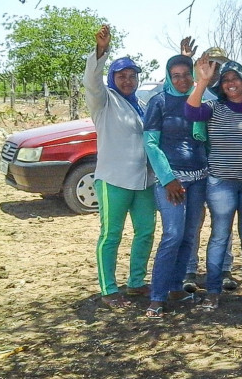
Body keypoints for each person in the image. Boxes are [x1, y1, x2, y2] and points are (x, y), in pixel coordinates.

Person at [185, 55, 242, 311]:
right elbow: (190, 111)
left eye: (236, 79)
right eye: (226, 80)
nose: (231, 83)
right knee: (220, 236)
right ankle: (212, 291)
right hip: (221, 183)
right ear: (221, 86)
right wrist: (202, 81)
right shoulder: (213, 108)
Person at [85, 25, 156, 309]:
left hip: (143, 181)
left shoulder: (140, 104)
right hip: (114, 180)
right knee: (111, 235)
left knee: (146, 231)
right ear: (112, 78)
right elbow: (92, 81)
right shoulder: (103, 101)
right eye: (121, 76)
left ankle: (136, 283)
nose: (127, 80)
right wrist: (101, 52)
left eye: (132, 76)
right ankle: (109, 288)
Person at [143, 52, 209, 319]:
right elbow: (150, 143)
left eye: (186, 74)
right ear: (169, 78)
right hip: (171, 180)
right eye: (176, 76)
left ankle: (176, 288)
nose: (182, 80)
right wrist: (168, 178)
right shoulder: (159, 102)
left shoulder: (201, 100)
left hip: (199, 178)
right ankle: (157, 296)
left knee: (189, 235)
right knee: (172, 235)